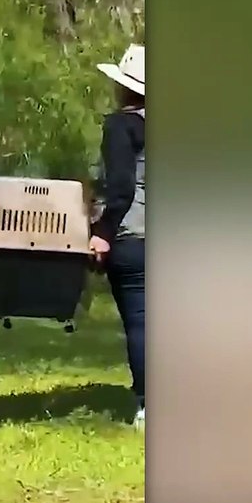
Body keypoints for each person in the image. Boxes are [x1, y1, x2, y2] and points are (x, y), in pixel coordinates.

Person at [89, 44, 146, 429]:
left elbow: (121, 187)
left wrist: (103, 233)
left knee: (141, 322)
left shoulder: (120, 126)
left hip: (135, 236)